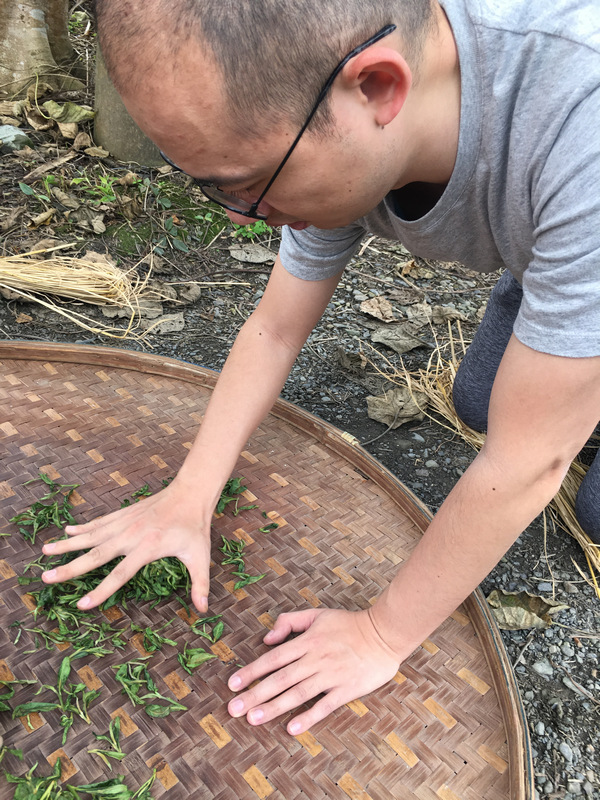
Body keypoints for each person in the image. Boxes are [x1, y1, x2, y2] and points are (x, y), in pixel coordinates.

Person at [41, 0, 600, 736]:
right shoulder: (326, 120)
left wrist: (381, 635)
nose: (239, 217)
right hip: (563, 232)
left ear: (376, 89)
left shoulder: (579, 128)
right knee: (480, 400)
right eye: (209, 185)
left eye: (245, 184)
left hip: (581, 206)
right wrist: (190, 493)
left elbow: (527, 463)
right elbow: (275, 328)